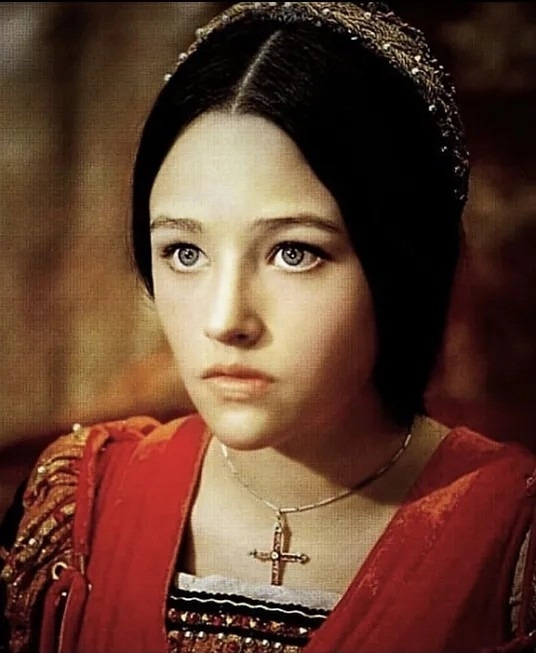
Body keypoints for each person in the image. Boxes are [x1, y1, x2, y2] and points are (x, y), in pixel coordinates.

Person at [1, 2, 536, 652]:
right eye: (184, 253)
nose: (225, 320)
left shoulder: (510, 537)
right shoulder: (86, 506)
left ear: (400, 262)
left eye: (293, 252)